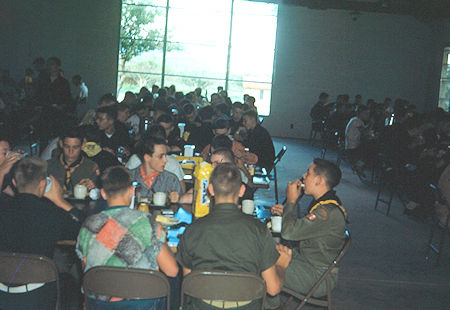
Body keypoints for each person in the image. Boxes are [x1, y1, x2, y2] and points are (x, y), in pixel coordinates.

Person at [176, 163, 292, 310]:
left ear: (210, 189)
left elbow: (189, 283)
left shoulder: (192, 230)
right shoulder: (259, 230)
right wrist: (281, 265)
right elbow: (273, 288)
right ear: (242, 190)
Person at [76, 166, 178, 309]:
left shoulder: (89, 225)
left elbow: (87, 270)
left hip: (99, 303)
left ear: (103, 194)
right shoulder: (147, 222)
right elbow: (172, 270)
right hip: (142, 303)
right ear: (131, 191)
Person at [0, 157, 84, 310]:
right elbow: (87, 231)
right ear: (43, 184)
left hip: (2, 293)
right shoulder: (53, 214)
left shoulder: (3, 209)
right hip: (39, 296)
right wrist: (61, 202)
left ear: (13, 182)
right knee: (72, 283)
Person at [270, 158, 347, 301]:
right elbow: (306, 229)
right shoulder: (324, 205)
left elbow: (289, 233)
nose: (304, 176)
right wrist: (287, 212)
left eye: (308, 173)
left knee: (264, 264)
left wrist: (291, 201)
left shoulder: (327, 212)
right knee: (266, 250)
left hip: (317, 276)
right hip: (307, 262)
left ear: (318, 180)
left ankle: (270, 305)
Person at [130, 136, 182, 202]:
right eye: (161, 156)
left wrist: (177, 200)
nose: (165, 160)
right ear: (147, 157)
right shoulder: (129, 178)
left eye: (165, 156)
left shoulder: (171, 180)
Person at [47, 128, 98, 193]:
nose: (71, 151)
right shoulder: (48, 165)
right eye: (67, 147)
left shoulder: (92, 167)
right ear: (61, 144)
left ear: (83, 145)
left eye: (75, 147)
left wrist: (93, 189)